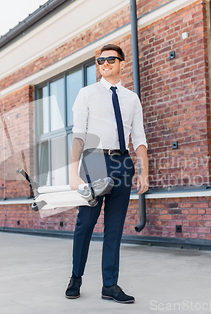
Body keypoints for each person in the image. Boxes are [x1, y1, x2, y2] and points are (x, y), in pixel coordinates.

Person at [65, 44, 148, 304]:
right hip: (94, 161)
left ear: (122, 63)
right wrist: (73, 172)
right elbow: (79, 134)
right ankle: (76, 277)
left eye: (111, 59)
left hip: (123, 162)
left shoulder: (131, 98)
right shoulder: (87, 94)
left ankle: (109, 286)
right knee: (86, 224)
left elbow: (139, 136)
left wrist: (144, 171)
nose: (105, 63)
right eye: (101, 60)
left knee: (114, 228)